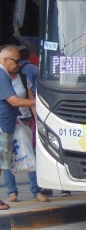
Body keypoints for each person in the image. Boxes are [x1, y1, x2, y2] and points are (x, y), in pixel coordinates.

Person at [0, 45, 49, 206]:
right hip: (2, 128)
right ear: (5, 60)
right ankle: (9, 193)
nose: (18, 64)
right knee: (2, 163)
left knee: (4, 162)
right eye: (16, 60)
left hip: (8, 126)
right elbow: (13, 101)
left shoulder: (8, 74)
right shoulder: (1, 75)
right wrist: (40, 102)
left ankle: (36, 190)